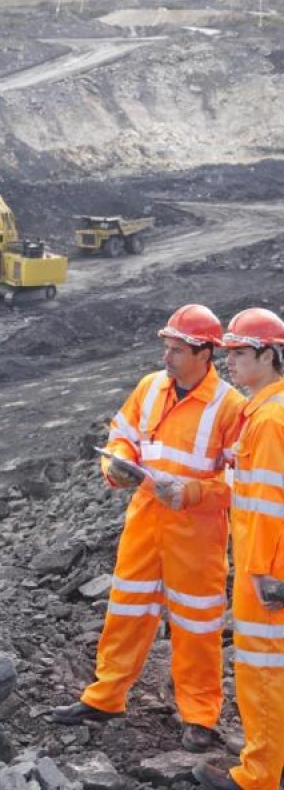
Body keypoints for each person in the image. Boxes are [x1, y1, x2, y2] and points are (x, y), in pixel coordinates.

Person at [51, 304, 244, 754]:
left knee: (197, 627)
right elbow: (123, 436)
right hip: (144, 523)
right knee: (126, 612)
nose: (167, 357)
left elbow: (239, 481)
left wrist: (192, 493)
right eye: (166, 347)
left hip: (196, 536)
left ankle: (199, 716)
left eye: (177, 349)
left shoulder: (229, 407)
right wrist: (113, 465)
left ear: (205, 353)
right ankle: (106, 697)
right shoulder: (150, 388)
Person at [194, 308, 284, 790]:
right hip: (265, 565)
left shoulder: (270, 420)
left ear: (269, 356)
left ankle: (258, 776)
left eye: (241, 353)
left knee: (262, 673)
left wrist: (267, 575)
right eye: (227, 353)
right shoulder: (268, 412)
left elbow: (271, 506)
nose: (230, 362)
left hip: (266, 572)